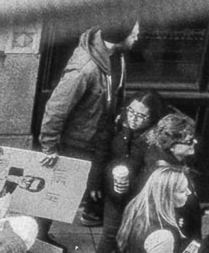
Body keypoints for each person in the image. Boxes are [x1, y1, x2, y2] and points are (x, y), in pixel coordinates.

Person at [72, 88, 169, 253]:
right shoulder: (116, 123)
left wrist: (131, 186)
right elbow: (102, 151)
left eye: (141, 116)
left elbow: (150, 172)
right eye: (131, 113)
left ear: (152, 118)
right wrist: (95, 181)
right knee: (109, 233)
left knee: (131, 240)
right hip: (114, 193)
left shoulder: (154, 140)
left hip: (139, 198)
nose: (133, 119)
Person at [36, 21, 138, 227]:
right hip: (80, 139)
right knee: (60, 191)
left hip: (101, 132)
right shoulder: (85, 69)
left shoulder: (117, 56)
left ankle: (92, 214)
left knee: (98, 177)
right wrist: (49, 147)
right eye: (134, 33)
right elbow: (57, 107)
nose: (137, 36)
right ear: (120, 38)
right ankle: (41, 234)